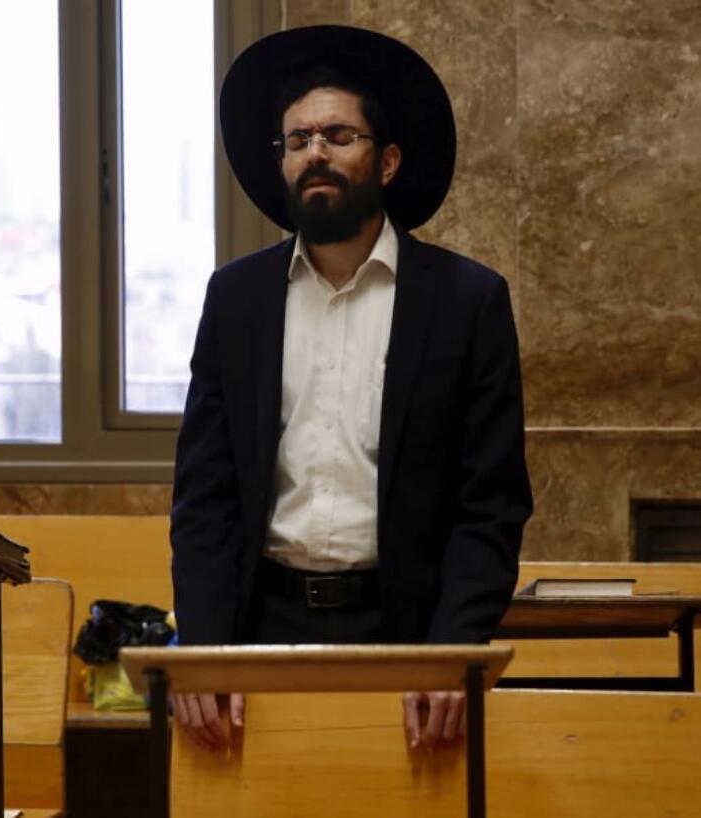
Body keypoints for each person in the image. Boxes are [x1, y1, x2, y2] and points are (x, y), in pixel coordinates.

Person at [170, 25, 533, 752]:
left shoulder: (466, 302)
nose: (315, 154)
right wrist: (203, 652)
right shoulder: (236, 299)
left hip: (407, 633)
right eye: (297, 140)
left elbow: (488, 505)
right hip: (261, 627)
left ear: (388, 160)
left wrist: (449, 653)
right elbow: (205, 497)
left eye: (339, 135)